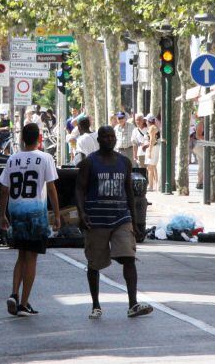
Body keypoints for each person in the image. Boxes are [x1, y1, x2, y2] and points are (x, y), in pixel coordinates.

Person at [76, 126, 153, 319]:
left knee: (129, 258)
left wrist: (135, 223)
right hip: (97, 220)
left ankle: (133, 304)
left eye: (112, 137)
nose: (110, 140)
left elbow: (129, 192)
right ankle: (95, 305)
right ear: (99, 139)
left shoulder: (124, 162)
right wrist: (82, 213)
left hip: (121, 218)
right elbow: (79, 189)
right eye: (106, 137)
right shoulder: (89, 162)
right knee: (94, 264)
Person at [0, 123, 60, 316]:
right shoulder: (45, 158)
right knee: (31, 257)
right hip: (35, 214)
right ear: (39, 138)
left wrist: (2, 215)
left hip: (15, 213)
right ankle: (23, 303)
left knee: (21, 255)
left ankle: (14, 294)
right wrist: (57, 214)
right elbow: (50, 188)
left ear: (22, 138)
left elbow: (5, 189)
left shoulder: (12, 159)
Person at [145, 114, 160, 191]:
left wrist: (150, 151)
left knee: (150, 168)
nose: (146, 122)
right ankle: (155, 185)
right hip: (154, 147)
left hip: (153, 148)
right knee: (153, 168)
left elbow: (152, 140)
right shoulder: (154, 127)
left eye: (146, 120)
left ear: (149, 121)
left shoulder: (152, 128)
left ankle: (151, 186)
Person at [194, 118, 205, 189]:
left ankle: (200, 182)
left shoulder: (202, 123)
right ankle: (202, 181)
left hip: (200, 145)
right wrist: (208, 138)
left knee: (202, 163)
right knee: (207, 161)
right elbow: (198, 135)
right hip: (199, 145)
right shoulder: (201, 123)